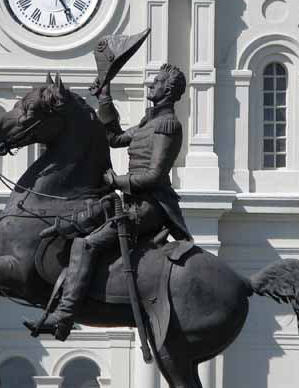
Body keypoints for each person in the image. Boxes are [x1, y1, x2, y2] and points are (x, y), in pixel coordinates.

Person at [39, 63, 192, 341]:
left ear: (168, 90)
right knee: (84, 217)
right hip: (130, 200)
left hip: (150, 207)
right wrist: (105, 97)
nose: (151, 85)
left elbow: (155, 175)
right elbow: (115, 138)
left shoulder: (168, 126)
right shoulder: (148, 123)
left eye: (156, 82)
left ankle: (64, 317)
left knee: (86, 244)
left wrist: (116, 181)